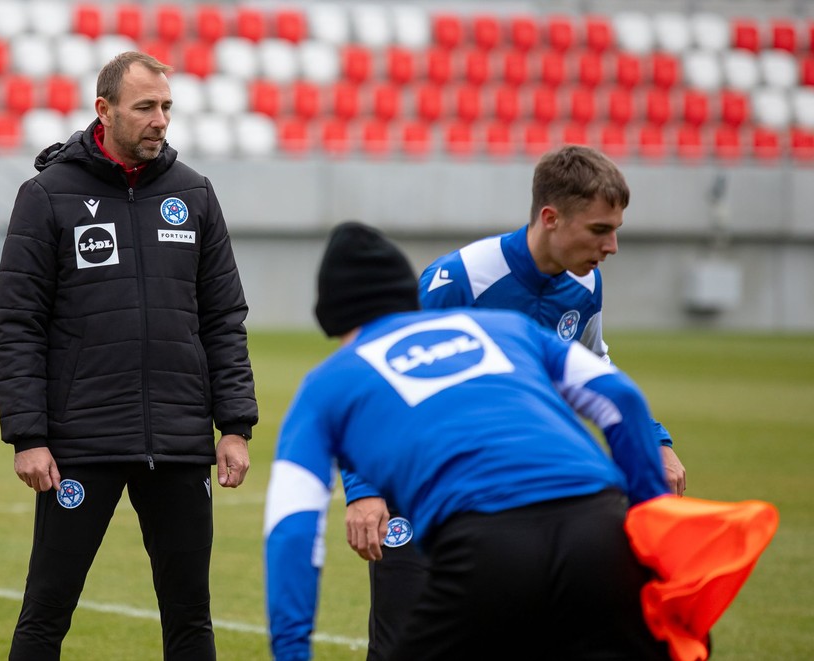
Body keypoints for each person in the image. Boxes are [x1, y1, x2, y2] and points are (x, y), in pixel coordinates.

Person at [263, 221, 674, 660]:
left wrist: (290, 651)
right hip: (601, 527)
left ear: (334, 317)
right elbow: (620, 396)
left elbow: (291, 526)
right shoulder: (505, 329)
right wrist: (652, 517)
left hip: (488, 542)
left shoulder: (329, 382)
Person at [344, 144, 688, 659]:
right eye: (599, 230)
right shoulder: (459, 279)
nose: (612, 246)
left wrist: (654, 439)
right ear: (551, 218)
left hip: (509, 501)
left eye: (616, 229)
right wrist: (363, 490)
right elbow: (374, 378)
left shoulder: (585, 284)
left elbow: (595, 368)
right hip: (417, 494)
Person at [0, 51, 258, 660]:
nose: (160, 120)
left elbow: (223, 319)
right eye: (145, 107)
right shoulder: (48, 195)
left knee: (191, 618)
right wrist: (28, 436)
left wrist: (235, 426)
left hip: (180, 443)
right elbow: (18, 325)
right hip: (81, 444)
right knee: (46, 613)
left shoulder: (193, 194)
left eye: (166, 107)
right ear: (104, 110)